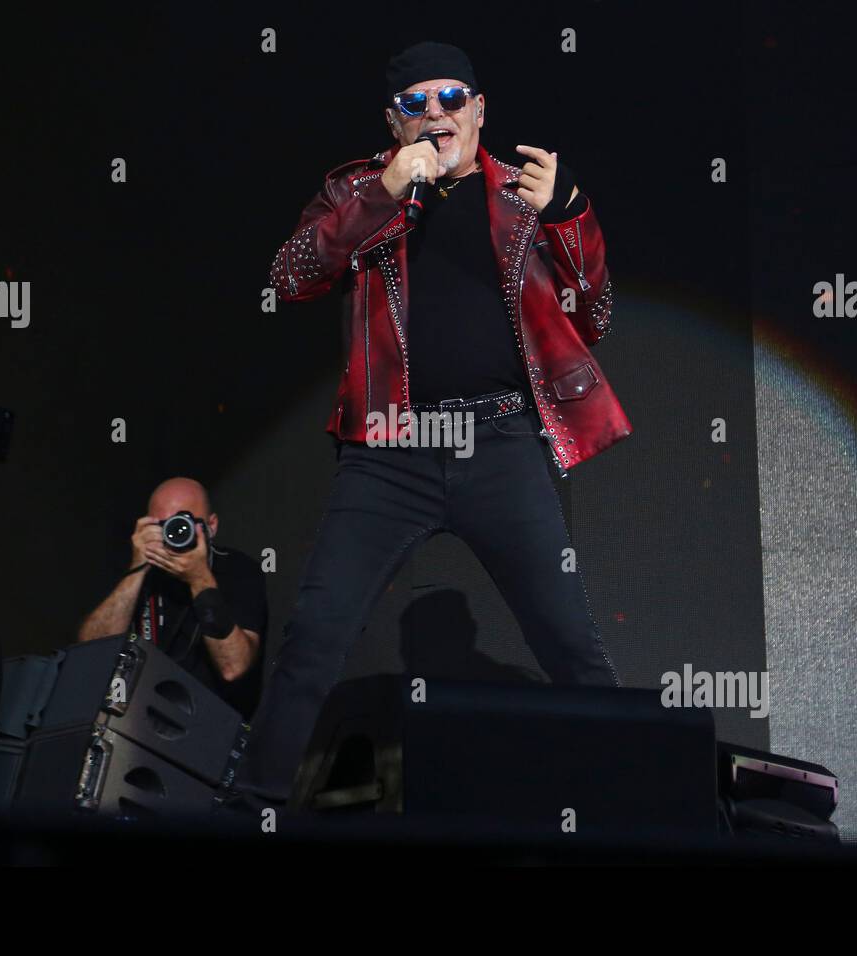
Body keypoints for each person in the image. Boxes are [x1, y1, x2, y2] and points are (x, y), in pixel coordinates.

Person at [226, 41, 633, 809]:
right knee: (315, 640)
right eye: (415, 103)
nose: (435, 115)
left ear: (479, 110)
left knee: (572, 644)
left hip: (503, 444)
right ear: (394, 120)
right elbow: (289, 278)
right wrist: (381, 194)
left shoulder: (526, 196)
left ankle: (636, 804)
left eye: (451, 98)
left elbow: (598, 314)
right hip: (390, 451)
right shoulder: (358, 187)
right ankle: (256, 811)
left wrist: (572, 214)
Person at [78, 478, 268, 721]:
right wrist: (138, 569)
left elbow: (234, 667)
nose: (173, 533)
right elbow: (92, 653)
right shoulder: (137, 570)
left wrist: (200, 580)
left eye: (183, 522)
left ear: (211, 526)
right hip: (138, 721)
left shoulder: (238, 570)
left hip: (210, 727)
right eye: (161, 525)